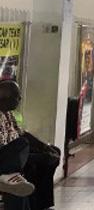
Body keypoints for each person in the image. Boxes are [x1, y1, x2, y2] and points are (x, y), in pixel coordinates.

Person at [0, 80, 61, 210]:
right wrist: (33, 156)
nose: (20, 99)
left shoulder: (8, 113)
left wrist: (45, 147)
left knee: (52, 153)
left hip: (16, 157)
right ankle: (8, 177)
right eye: (17, 96)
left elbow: (22, 133)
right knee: (24, 147)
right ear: (4, 98)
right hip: (6, 161)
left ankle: (41, 204)